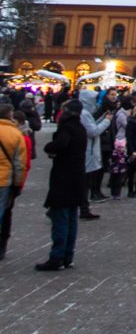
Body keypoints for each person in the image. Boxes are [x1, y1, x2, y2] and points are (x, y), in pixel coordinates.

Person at [36, 99, 87, 271]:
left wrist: (50, 148)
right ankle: (67, 256)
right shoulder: (80, 128)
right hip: (77, 178)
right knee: (71, 219)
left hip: (64, 178)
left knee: (61, 218)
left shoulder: (67, 128)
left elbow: (61, 144)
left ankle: (57, 257)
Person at [0, 102, 28, 260]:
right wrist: (18, 184)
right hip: (5, 180)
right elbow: (19, 164)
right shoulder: (15, 134)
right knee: (3, 213)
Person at [78, 90, 111, 219]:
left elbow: (92, 127)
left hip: (89, 152)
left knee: (84, 183)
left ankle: (84, 208)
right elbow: (93, 131)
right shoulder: (84, 114)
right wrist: (106, 121)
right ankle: (84, 210)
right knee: (84, 184)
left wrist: (103, 118)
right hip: (88, 152)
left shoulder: (85, 114)